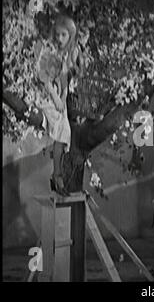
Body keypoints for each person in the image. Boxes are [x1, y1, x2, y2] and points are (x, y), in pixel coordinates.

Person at [35, 15, 83, 196]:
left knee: (65, 132)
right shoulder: (48, 49)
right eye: (58, 35)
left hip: (57, 94)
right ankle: (57, 175)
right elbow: (44, 78)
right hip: (45, 94)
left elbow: (64, 81)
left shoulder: (67, 54)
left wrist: (62, 97)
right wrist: (56, 98)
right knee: (62, 128)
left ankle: (57, 174)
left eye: (64, 35)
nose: (61, 39)